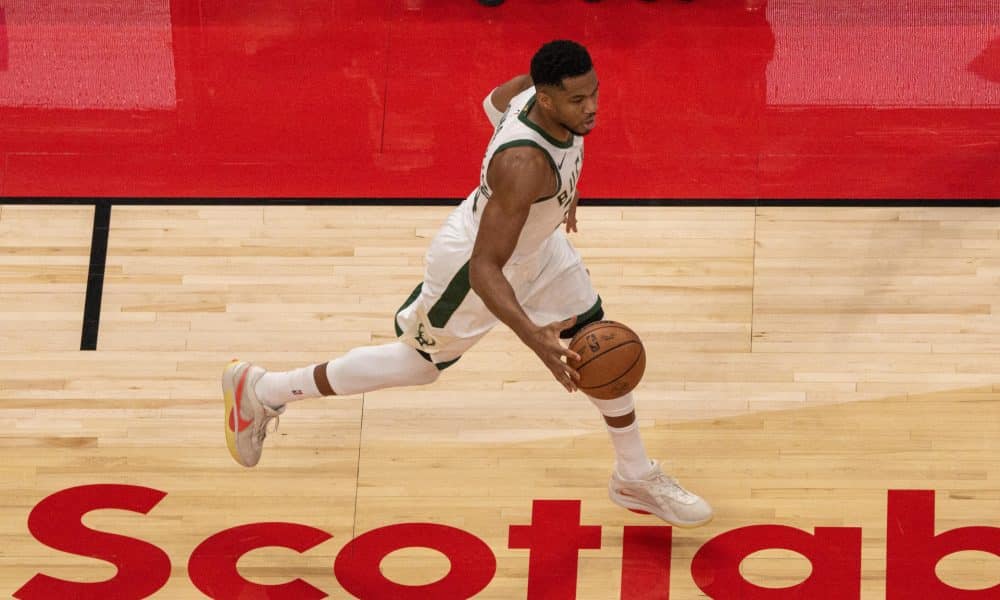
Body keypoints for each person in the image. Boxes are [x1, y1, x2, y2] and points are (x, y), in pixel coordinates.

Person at [222, 40, 713, 528]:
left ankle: (633, 475)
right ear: (545, 99)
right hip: (475, 264)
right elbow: (484, 268)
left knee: (595, 341)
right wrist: (534, 338)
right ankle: (265, 389)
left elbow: (493, 105)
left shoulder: (532, 97)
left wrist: (562, 195)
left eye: (594, 93)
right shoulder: (523, 167)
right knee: (417, 366)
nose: (592, 109)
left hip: (534, 248)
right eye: (579, 100)